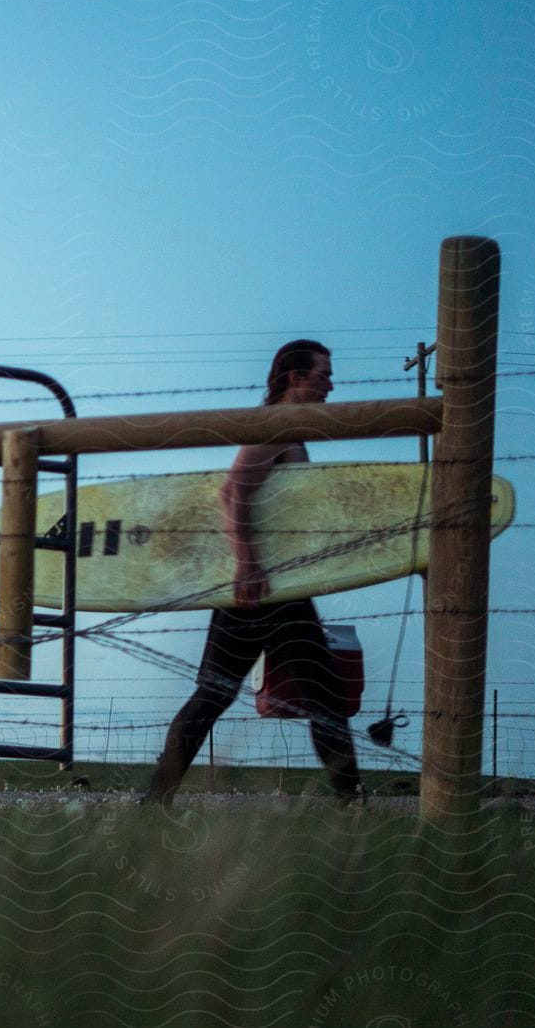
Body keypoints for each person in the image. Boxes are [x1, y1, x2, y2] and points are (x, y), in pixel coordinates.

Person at [141, 340, 364, 806]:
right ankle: (352, 804)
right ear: (294, 376)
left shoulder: (291, 431)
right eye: (323, 374)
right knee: (240, 696)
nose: (330, 384)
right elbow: (233, 490)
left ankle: (156, 800)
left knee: (309, 698)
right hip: (260, 586)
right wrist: (246, 564)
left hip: (279, 586)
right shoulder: (275, 427)